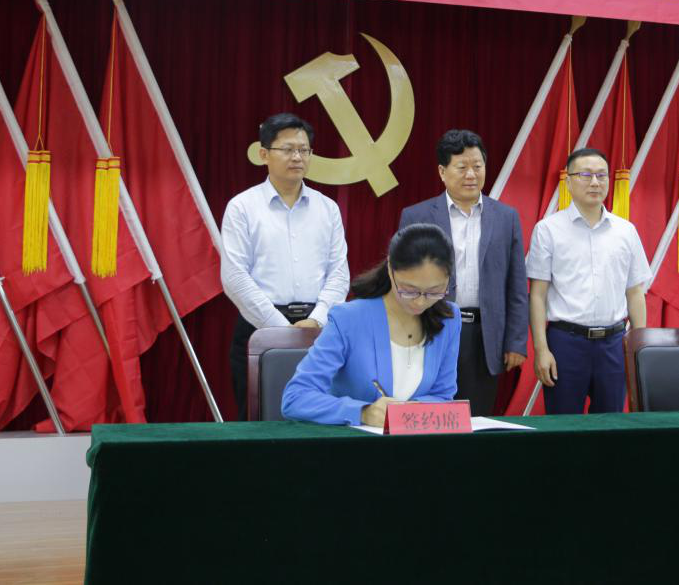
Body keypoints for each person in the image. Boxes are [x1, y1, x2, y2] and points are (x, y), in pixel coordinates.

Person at [221, 112, 350, 419]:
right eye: (288, 149)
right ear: (264, 154)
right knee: (259, 422)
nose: (297, 157)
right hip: (259, 329)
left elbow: (339, 273)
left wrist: (316, 320)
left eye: (304, 150)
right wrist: (280, 329)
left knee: (319, 421)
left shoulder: (327, 208)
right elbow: (235, 277)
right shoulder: (242, 207)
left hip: (318, 331)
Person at [398, 129, 528, 415]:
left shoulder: (506, 217)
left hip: (485, 334)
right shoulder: (417, 215)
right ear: (442, 172)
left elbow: (517, 285)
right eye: (462, 167)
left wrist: (516, 341)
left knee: (477, 417)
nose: (471, 174)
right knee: (431, 414)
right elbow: (401, 281)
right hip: (432, 329)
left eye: (477, 166)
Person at [282, 223, 461, 426]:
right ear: (390, 268)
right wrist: (363, 412)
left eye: (434, 291)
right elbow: (296, 398)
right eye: (409, 290)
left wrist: (408, 413)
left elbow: (442, 395)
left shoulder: (448, 318)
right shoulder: (349, 319)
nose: (420, 302)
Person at [526, 147, 650, 414]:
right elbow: (537, 295)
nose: (595, 182)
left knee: (610, 425)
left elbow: (635, 293)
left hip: (614, 344)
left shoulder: (626, 231)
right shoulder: (548, 230)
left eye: (601, 175)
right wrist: (541, 350)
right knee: (563, 424)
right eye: (585, 175)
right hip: (566, 343)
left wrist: (638, 348)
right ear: (568, 181)